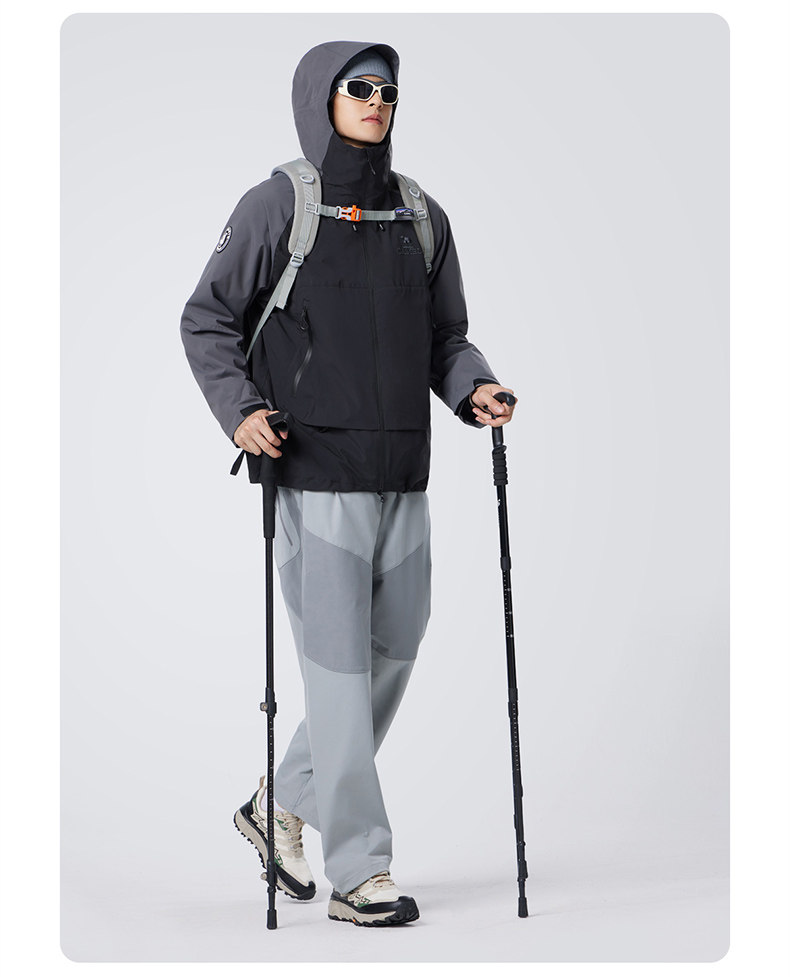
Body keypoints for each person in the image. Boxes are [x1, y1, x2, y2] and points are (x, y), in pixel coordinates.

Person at [180, 39, 517, 927]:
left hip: (403, 473)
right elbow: (207, 317)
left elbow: (446, 338)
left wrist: (473, 385)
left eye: (388, 90)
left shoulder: (421, 215)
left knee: (393, 652)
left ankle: (279, 801)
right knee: (338, 675)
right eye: (359, 87)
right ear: (321, 99)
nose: (377, 100)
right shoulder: (278, 204)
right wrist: (239, 410)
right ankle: (360, 870)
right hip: (314, 473)